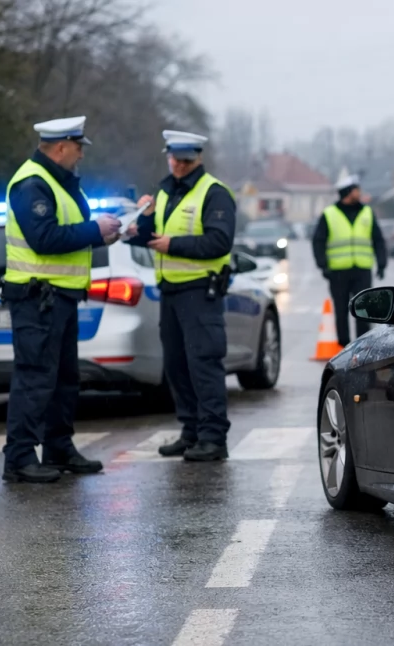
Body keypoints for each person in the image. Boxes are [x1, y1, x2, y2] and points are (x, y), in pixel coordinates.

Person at [1, 116, 122, 483]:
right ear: (60, 148)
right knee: (35, 378)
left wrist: (100, 233)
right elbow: (44, 238)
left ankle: (58, 447)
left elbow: (67, 234)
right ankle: (20, 457)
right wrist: (94, 230)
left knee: (64, 379)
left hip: (59, 298)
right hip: (38, 298)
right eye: (78, 147)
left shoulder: (58, 183)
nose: (81, 155)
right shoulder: (32, 183)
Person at [125, 131, 236, 461]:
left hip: (200, 291)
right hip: (171, 291)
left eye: (186, 159)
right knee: (176, 365)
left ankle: (213, 438)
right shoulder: (164, 191)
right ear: (168, 156)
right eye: (175, 158)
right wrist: (142, 221)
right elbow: (150, 237)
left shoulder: (214, 193)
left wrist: (173, 245)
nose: (179, 165)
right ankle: (191, 431)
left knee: (204, 364)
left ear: (198, 157)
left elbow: (219, 241)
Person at [312, 176, 388, 346]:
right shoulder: (329, 214)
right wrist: (323, 265)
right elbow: (318, 241)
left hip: (362, 270)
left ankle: (363, 345)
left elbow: (378, 240)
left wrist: (382, 263)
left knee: (363, 309)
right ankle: (344, 346)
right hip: (337, 272)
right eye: (356, 190)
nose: (359, 193)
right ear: (348, 192)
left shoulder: (367, 212)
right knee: (341, 310)